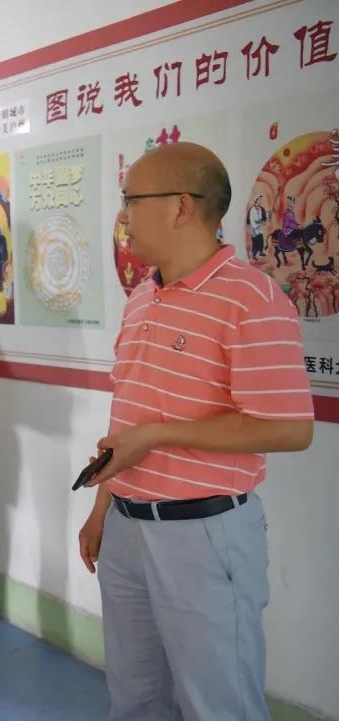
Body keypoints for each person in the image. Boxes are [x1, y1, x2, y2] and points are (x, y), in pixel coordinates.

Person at [76, 142, 315, 721]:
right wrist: (103, 506)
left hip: (204, 534)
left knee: (218, 707)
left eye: (132, 200)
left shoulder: (252, 299)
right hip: (127, 528)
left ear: (181, 206)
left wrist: (160, 435)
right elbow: (128, 411)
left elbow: (289, 428)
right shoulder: (142, 296)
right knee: (134, 701)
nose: (123, 216)